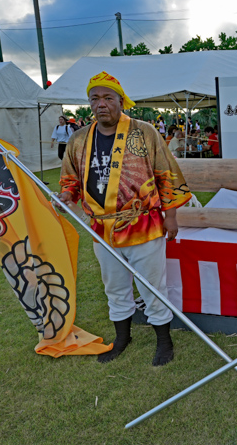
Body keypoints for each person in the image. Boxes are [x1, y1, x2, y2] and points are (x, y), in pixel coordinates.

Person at [57, 71, 191, 366]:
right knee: (114, 286)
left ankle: (164, 341)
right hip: (102, 228)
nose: (101, 104)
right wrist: (67, 195)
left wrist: (171, 217)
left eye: (107, 98)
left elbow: (166, 174)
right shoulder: (79, 140)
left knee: (152, 286)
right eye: (95, 98)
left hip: (142, 223)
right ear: (89, 104)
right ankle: (122, 338)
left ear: (121, 101)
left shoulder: (145, 132)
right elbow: (70, 179)